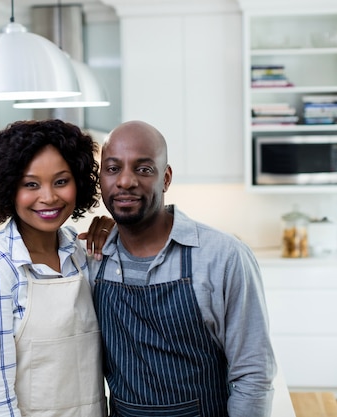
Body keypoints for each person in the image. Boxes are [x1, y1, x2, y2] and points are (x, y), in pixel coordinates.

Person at [90, 120, 276, 417]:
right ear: (101, 178)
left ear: (166, 178)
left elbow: (253, 374)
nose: (125, 181)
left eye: (143, 169)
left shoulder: (224, 256)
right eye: (113, 168)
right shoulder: (92, 258)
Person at [0, 119, 112, 417]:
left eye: (61, 181)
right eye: (31, 184)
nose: (49, 197)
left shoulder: (82, 255)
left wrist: (117, 231)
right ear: (8, 188)